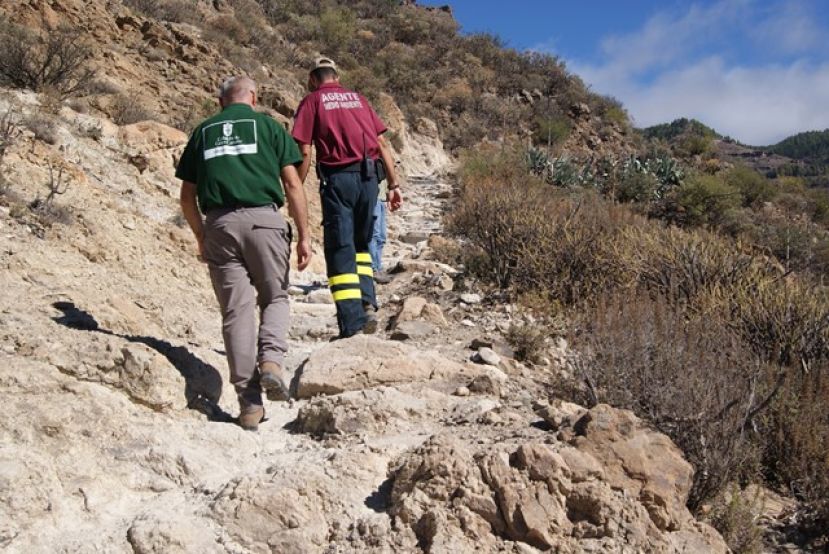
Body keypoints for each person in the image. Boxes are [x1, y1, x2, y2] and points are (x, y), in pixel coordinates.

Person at [177, 76, 312, 431]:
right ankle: (271, 363)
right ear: (254, 97)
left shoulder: (203, 132)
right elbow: (292, 183)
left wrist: (201, 235)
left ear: (220, 101)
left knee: (236, 313)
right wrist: (304, 235)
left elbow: (187, 196)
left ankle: (249, 404)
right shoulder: (268, 127)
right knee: (275, 297)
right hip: (265, 221)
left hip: (220, 225)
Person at [292, 57, 402, 338]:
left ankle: (352, 324)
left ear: (313, 79)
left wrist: (296, 185)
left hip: (338, 180)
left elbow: (304, 149)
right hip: (369, 179)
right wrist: (393, 184)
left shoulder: (313, 101)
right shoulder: (359, 99)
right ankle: (367, 303)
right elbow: (381, 142)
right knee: (361, 244)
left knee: (340, 248)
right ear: (336, 77)